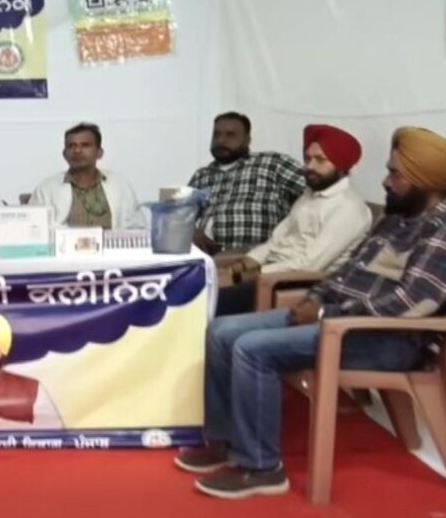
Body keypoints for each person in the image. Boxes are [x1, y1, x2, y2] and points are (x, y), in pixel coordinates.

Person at [175, 127, 446, 500]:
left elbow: (413, 302)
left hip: (384, 339)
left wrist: (324, 313)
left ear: (424, 182)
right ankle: (227, 440)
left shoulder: (439, 229)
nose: (385, 181)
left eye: (395, 174)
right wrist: (316, 298)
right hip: (338, 319)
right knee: (221, 331)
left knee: (252, 349)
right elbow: (344, 273)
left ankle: (261, 468)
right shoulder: (395, 219)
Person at [216, 125, 372, 315]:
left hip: (293, 283)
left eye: (320, 160)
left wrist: (243, 277)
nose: (310, 166)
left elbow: (310, 264)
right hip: (268, 272)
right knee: (198, 287)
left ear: (341, 166)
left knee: (209, 302)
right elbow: (275, 242)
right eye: (308, 158)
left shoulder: (348, 208)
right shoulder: (309, 195)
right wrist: (236, 267)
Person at [188, 112, 305, 254]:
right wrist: (192, 232)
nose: (221, 140)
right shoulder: (202, 175)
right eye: (216, 134)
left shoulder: (273, 163)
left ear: (247, 139)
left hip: (257, 255)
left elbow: (317, 192)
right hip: (208, 257)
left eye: (230, 135)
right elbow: (179, 216)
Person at [29, 123, 145, 230]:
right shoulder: (46, 189)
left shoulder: (120, 185)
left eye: (85, 145)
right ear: (64, 154)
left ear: (99, 153)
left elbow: (138, 225)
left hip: (111, 245)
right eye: (71, 146)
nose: (77, 150)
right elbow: (33, 229)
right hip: (65, 246)